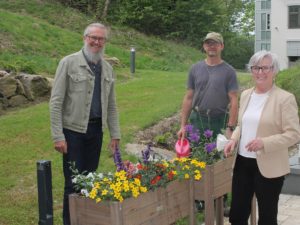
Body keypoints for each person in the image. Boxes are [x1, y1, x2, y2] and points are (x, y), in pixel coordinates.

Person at [49, 22, 121, 225]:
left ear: (105, 42)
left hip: (96, 132)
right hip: (73, 132)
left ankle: (85, 220)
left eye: (101, 39)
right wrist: (58, 136)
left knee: (89, 181)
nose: (96, 42)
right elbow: (55, 102)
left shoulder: (107, 68)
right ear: (85, 38)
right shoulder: (68, 63)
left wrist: (115, 134)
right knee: (72, 183)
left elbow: (112, 106)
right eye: (93, 37)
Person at [224, 50, 300, 225]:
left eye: (265, 68)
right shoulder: (246, 94)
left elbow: (294, 134)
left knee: (266, 218)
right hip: (243, 163)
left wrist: (264, 143)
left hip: (270, 166)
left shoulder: (285, 99)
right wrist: (234, 140)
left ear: (274, 71)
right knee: (237, 216)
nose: (260, 72)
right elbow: (242, 125)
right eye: (256, 68)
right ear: (251, 70)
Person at [177, 32, 239, 212]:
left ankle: (221, 201)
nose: (211, 46)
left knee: (220, 161)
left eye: (215, 43)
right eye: (208, 43)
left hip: (219, 121)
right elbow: (188, 97)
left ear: (222, 46)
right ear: (204, 46)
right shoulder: (195, 69)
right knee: (196, 160)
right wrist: (183, 125)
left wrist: (230, 128)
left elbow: (234, 100)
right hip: (197, 120)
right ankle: (198, 200)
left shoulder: (229, 71)